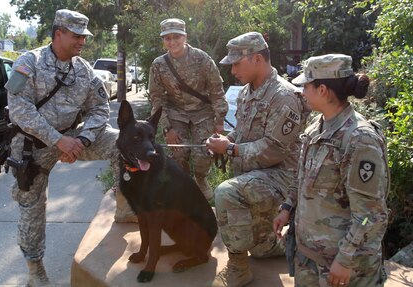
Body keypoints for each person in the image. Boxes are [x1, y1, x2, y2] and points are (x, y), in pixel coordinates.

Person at [4, 9, 134, 286]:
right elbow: (19, 110)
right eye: (76, 36)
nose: (82, 42)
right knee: (32, 209)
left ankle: (125, 206)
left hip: (73, 139)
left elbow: (100, 107)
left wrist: (82, 140)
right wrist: (57, 140)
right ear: (58, 34)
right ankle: (35, 272)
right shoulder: (30, 62)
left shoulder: (83, 69)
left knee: (121, 143)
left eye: (84, 36)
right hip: (31, 146)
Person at [273, 54, 389, 287]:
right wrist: (287, 206)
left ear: (323, 90)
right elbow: (302, 175)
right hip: (310, 256)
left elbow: (370, 213)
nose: (302, 92)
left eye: (306, 86)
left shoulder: (360, 139)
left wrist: (345, 259)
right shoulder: (317, 127)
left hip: (343, 267)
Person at [205, 32, 310, 287]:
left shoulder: (284, 95)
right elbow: (241, 134)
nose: (232, 71)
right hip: (253, 176)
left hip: (281, 179)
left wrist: (229, 149)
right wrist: (222, 141)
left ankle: (239, 269)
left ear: (257, 59)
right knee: (261, 250)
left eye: (237, 64)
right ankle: (285, 244)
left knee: (226, 193)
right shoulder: (245, 93)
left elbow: (273, 150)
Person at [148, 18, 228, 200]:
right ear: (163, 40)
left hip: (202, 112)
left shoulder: (202, 59)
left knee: (204, 152)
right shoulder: (158, 65)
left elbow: (217, 90)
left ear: (185, 37)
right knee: (179, 151)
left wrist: (219, 120)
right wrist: (167, 128)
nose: (172, 42)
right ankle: (182, 182)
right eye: (167, 38)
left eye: (176, 37)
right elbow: (157, 98)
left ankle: (200, 179)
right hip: (176, 112)